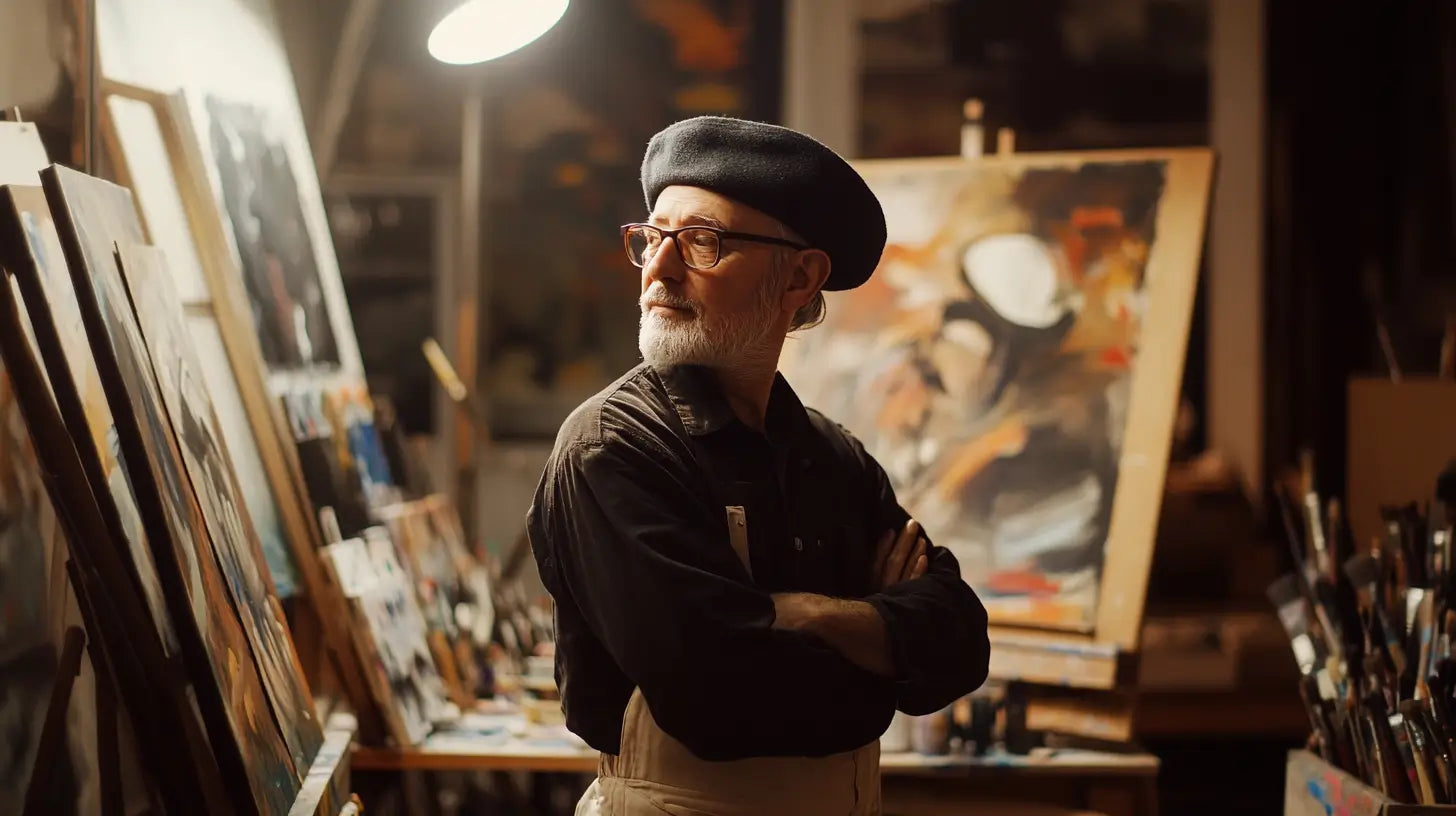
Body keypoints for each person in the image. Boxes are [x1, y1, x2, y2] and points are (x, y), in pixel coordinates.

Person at [527, 116, 991, 816]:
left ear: (800, 277)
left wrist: (808, 615)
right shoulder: (615, 449)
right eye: (652, 238)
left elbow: (960, 641)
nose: (659, 269)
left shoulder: (834, 457)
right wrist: (885, 644)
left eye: (702, 242)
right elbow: (716, 699)